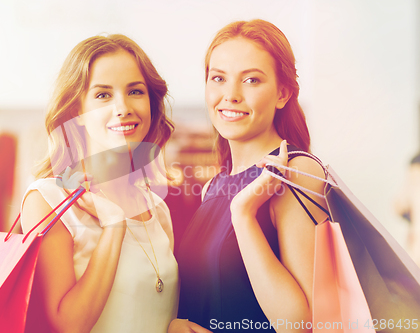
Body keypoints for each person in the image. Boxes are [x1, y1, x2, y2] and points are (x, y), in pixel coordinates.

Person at [169, 20, 329, 333]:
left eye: (252, 80)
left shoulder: (294, 172)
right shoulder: (215, 185)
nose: (231, 95)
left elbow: (300, 325)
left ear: (282, 94)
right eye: (218, 78)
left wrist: (243, 215)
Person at [20, 34, 178, 333]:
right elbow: (70, 324)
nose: (123, 107)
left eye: (135, 91)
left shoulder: (158, 209)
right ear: (77, 112)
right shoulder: (48, 199)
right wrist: (114, 226)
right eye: (103, 95)